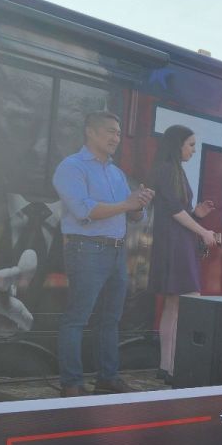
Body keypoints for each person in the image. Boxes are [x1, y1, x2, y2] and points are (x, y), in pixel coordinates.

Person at [53, 111, 154, 397]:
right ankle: (71, 383)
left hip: (116, 252)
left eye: (119, 133)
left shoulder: (116, 172)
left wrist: (139, 204)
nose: (116, 138)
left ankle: (108, 377)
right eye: (110, 131)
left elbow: (134, 216)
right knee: (77, 317)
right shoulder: (71, 167)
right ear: (90, 132)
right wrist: (127, 203)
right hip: (86, 249)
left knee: (111, 319)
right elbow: (83, 210)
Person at [148, 125, 219, 382]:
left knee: (174, 305)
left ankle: (167, 366)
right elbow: (174, 211)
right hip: (176, 245)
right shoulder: (168, 170)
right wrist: (203, 231)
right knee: (187, 303)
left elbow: (176, 211)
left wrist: (196, 213)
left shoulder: (170, 170)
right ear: (177, 144)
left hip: (175, 243)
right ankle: (174, 365)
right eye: (190, 144)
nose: (193, 149)